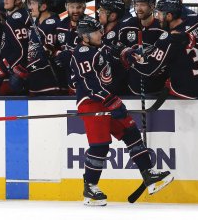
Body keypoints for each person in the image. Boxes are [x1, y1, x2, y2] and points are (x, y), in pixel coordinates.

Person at [70, 17, 173, 206]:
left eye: (100, 30)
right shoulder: (82, 53)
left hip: (107, 100)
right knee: (100, 145)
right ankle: (90, 187)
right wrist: (111, 102)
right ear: (85, 36)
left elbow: (114, 50)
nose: (101, 34)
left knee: (131, 132)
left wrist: (128, 53)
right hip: (91, 103)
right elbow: (90, 85)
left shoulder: (98, 46)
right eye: (96, 32)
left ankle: (149, 175)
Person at [121, 0, 198, 98]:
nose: (157, 17)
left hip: (188, 93)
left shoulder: (169, 39)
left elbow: (150, 69)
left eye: (160, 13)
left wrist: (130, 56)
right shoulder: (195, 23)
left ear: (169, 16)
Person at [119, 0, 168, 95]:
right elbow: (117, 45)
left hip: (157, 85)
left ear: (152, 6)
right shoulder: (127, 25)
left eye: (143, 5)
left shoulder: (162, 28)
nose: (139, 9)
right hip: (131, 85)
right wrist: (125, 51)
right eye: (136, 4)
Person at [26, 0, 60, 96]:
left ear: (43, 6)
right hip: (37, 82)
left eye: (33, 3)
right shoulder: (37, 24)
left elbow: (49, 55)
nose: (30, 7)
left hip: (49, 85)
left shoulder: (51, 25)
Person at [53, 0, 87, 94]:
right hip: (65, 75)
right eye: (72, 7)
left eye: (79, 7)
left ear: (84, 7)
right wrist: (56, 54)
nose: (75, 10)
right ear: (66, 7)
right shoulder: (60, 25)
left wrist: (70, 55)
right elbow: (56, 47)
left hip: (85, 74)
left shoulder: (91, 25)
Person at [98, 0, 128, 94]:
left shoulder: (122, 31)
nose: (99, 14)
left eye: (102, 11)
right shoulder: (97, 30)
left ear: (112, 16)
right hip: (100, 85)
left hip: (117, 87)